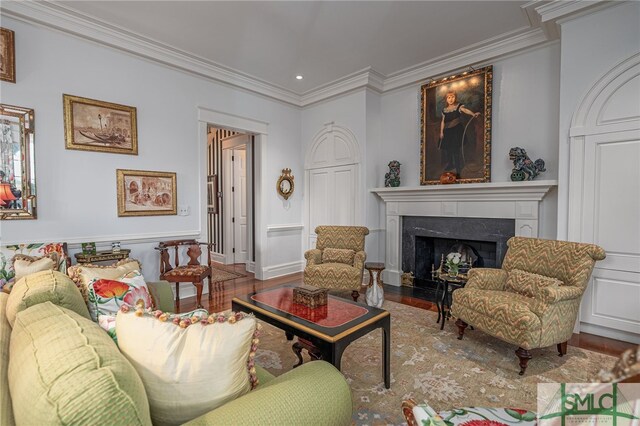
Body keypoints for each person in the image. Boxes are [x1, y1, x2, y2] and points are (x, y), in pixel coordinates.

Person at [438, 91, 480, 176]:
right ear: (446, 99)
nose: (451, 99)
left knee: (455, 150)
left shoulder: (458, 107)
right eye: (448, 97)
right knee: (448, 150)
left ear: (455, 98)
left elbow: (465, 110)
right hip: (447, 132)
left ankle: (458, 170)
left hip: (456, 131)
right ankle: (450, 164)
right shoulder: (444, 110)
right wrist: (441, 132)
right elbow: (443, 121)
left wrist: (473, 114)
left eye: (452, 97)